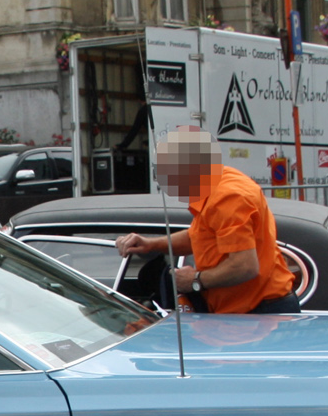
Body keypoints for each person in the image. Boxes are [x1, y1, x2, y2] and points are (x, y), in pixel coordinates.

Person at [114, 126, 300, 314]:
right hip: (248, 313)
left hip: (259, 314)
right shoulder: (218, 185)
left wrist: (195, 280)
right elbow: (199, 236)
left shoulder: (227, 198)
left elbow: (245, 266)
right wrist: (151, 244)